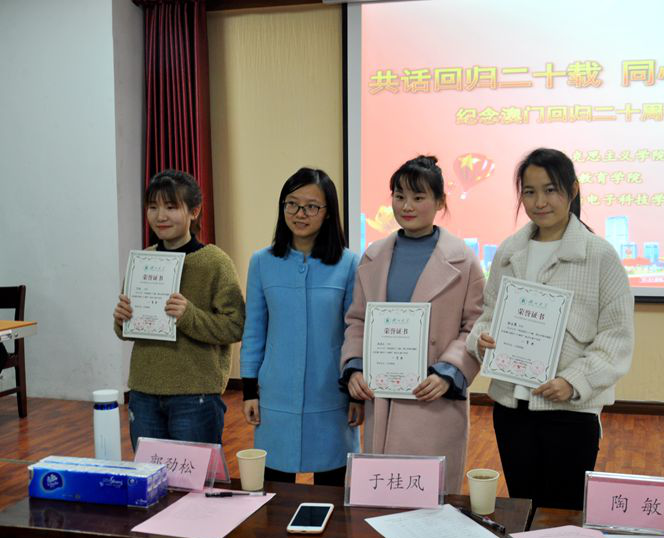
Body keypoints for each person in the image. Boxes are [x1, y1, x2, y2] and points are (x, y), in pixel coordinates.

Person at [467, 148, 634, 510]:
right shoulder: (510, 251)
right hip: (511, 408)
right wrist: (480, 339)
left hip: (570, 410)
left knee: (563, 512)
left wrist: (573, 382)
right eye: (529, 192)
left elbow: (616, 338)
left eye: (550, 190)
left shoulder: (599, 256)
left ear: (572, 191)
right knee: (523, 504)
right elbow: (487, 315)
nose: (539, 202)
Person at [341, 155, 485, 494]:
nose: (406, 206)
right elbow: (357, 320)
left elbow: (475, 324)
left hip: (432, 396)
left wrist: (448, 372)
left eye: (418, 197)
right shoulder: (374, 255)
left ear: (440, 202)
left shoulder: (463, 260)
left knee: (427, 499)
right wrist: (355, 367)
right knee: (382, 495)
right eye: (399, 196)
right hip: (381, 395)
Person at [240, 168, 361, 486]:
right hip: (276, 395)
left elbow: (355, 332)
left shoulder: (348, 263)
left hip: (331, 394)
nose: (299, 213)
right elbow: (254, 331)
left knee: (333, 488)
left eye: (311, 206)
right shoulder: (262, 262)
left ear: (328, 212)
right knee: (275, 490)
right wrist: (249, 391)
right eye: (291, 204)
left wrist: (356, 396)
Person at [114, 170, 245, 450]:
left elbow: (235, 326)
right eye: (153, 207)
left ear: (194, 211)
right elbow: (128, 331)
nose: (160, 216)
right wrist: (122, 319)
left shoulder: (215, 262)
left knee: (195, 476)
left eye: (171, 207)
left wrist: (189, 316)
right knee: (151, 475)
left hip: (195, 395)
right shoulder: (144, 260)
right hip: (144, 391)